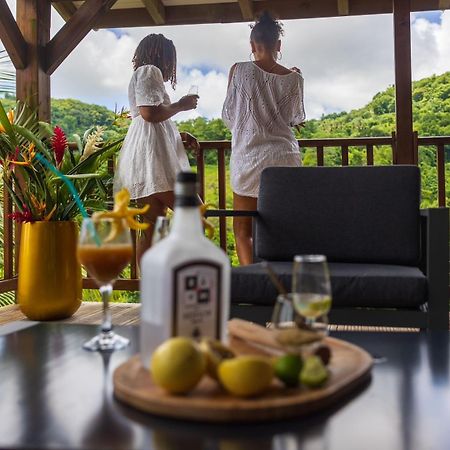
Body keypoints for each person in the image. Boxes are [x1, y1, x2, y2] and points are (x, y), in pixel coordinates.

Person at [222, 11, 306, 266]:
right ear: (278, 45)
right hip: (285, 160)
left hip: (249, 158)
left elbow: (229, 116)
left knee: (242, 231)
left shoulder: (238, 70)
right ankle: (284, 283)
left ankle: (255, 287)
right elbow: (295, 119)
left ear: (251, 45)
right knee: (284, 228)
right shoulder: (294, 77)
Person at [114, 34, 199, 261]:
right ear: (162, 54)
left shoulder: (144, 75)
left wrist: (178, 135)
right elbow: (149, 114)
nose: (172, 64)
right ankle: (183, 276)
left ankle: (151, 289)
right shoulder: (150, 70)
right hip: (154, 161)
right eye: (171, 58)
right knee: (194, 212)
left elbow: (154, 119)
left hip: (148, 156)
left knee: (151, 226)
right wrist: (181, 105)